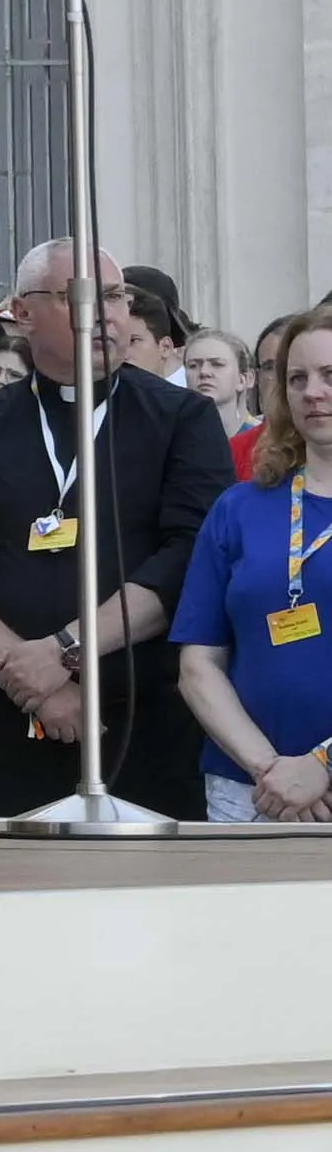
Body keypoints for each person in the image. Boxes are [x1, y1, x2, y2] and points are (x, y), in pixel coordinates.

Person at [0, 238, 232, 819]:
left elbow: (186, 560)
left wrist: (64, 651)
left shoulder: (182, 419)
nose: (107, 313)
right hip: (3, 723)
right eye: (80, 297)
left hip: (142, 723)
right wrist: (30, 674)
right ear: (23, 312)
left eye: (116, 296)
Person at [173, 305, 332, 826]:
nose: (313, 392)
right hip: (248, 789)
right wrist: (272, 772)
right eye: (297, 378)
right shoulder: (238, 508)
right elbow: (199, 665)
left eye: (330, 376)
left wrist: (322, 765)